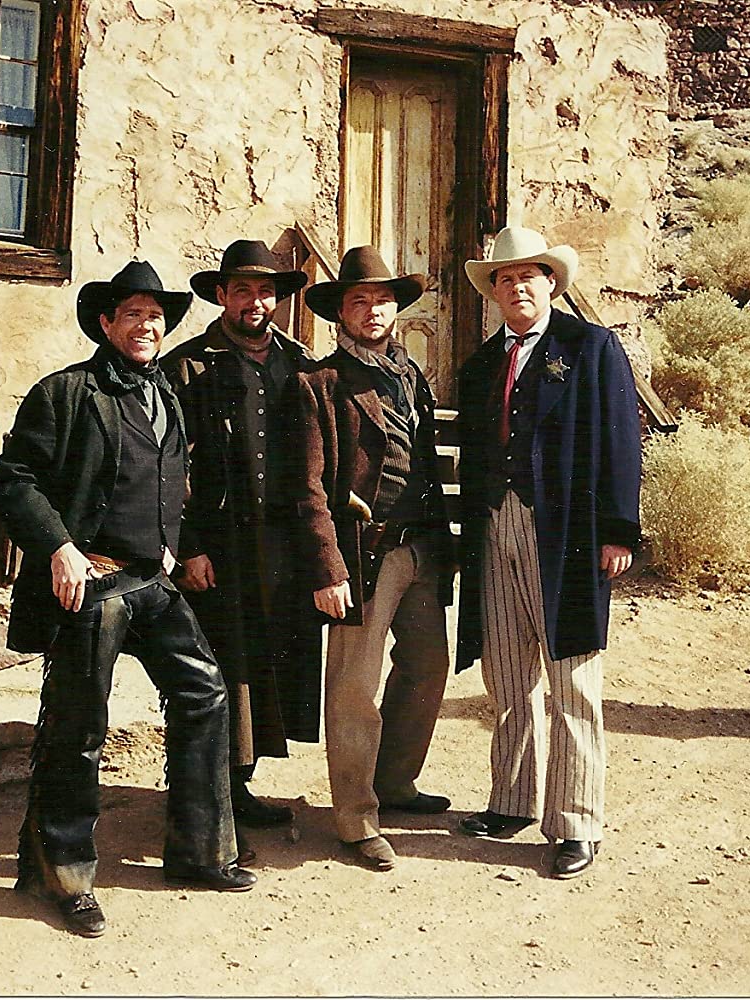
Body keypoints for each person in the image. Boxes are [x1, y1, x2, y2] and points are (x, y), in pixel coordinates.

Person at [0, 260, 256, 938]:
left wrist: (179, 547)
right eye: (133, 314)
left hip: (152, 583)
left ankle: (199, 853)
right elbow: (14, 481)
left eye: (156, 316)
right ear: (106, 323)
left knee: (206, 694)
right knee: (78, 725)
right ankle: (65, 877)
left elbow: (172, 483)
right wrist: (59, 547)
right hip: (93, 584)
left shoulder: (165, 393)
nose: (147, 326)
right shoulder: (65, 393)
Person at [453, 226, 642, 880]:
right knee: (507, 677)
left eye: (528, 276)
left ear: (551, 283)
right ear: (494, 291)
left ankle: (576, 822)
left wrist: (619, 531)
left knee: (572, 683)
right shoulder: (481, 364)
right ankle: (510, 802)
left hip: (567, 536)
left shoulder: (590, 348)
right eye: (505, 279)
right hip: (495, 528)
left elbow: (622, 442)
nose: (517, 287)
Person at [289, 245, 456, 871]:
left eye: (382, 300)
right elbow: (307, 487)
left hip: (421, 545)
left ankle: (396, 782)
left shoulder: (410, 376)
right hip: (364, 552)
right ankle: (356, 818)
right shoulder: (320, 384)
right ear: (341, 313)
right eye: (359, 301)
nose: (373, 311)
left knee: (427, 666)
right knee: (354, 685)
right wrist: (327, 567)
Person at [161, 240, 322, 855]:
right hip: (219, 545)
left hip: (279, 546)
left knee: (262, 666)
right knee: (217, 668)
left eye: (266, 291)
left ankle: (238, 783)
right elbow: (170, 467)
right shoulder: (186, 367)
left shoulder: (298, 363)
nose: (256, 302)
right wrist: (189, 547)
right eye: (243, 291)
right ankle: (208, 799)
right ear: (222, 296)